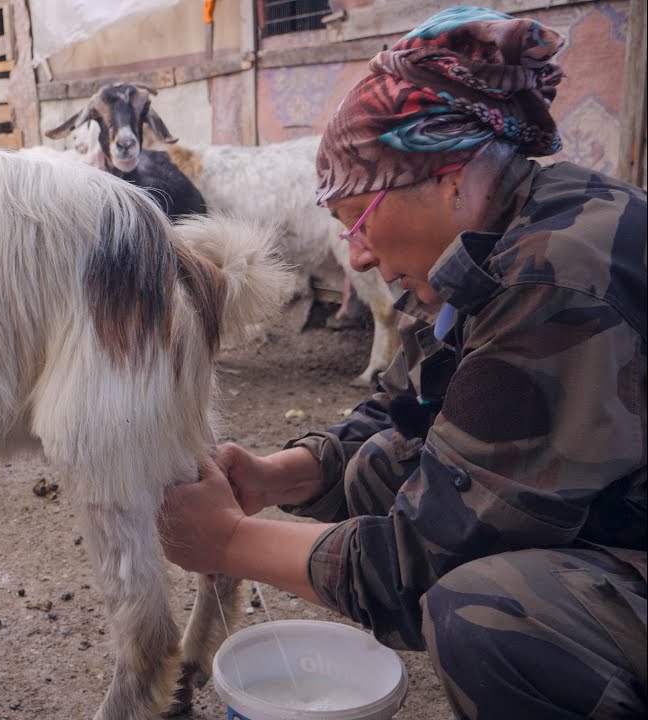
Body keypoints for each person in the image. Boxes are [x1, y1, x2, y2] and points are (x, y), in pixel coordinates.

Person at [158, 7, 646, 719]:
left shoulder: (557, 279)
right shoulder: (505, 239)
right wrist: (277, 476)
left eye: (358, 219)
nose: (354, 254)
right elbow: (414, 418)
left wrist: (230, 542)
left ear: (450, 180)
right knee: (393, 470)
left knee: (489, 613)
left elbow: (426, 562)